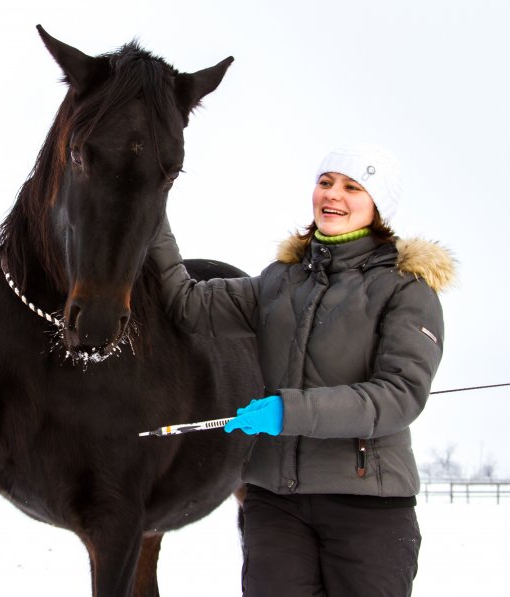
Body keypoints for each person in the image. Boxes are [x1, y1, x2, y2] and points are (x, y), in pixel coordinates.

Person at [149, 143, 455, 596]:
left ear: (379, 207)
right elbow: (188, 305)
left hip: (368, 508)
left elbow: (398, 395)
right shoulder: (280, 282)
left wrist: (287, 411)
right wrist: (148, 205)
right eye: (326, 182)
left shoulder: (405, 290)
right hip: (277, 505)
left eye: (353, 187)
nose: (333, 195)